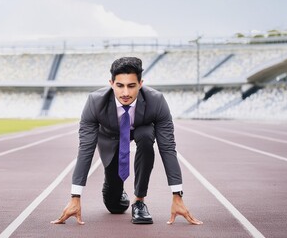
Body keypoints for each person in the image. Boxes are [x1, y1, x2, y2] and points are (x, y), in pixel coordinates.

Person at [51, 57, 202, 225]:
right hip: (110, 138)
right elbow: (85, 148)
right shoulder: (95, 102)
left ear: (140, 83)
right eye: (120, 86)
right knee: (115, 206)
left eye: (131, 86)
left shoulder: (156, 101)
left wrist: (177, 195)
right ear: (111, 83)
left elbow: (167, 148)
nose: (125, 93)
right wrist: (75, 197)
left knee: (145, 136)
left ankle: (139, 202)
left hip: (142, 129)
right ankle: (118, 191)